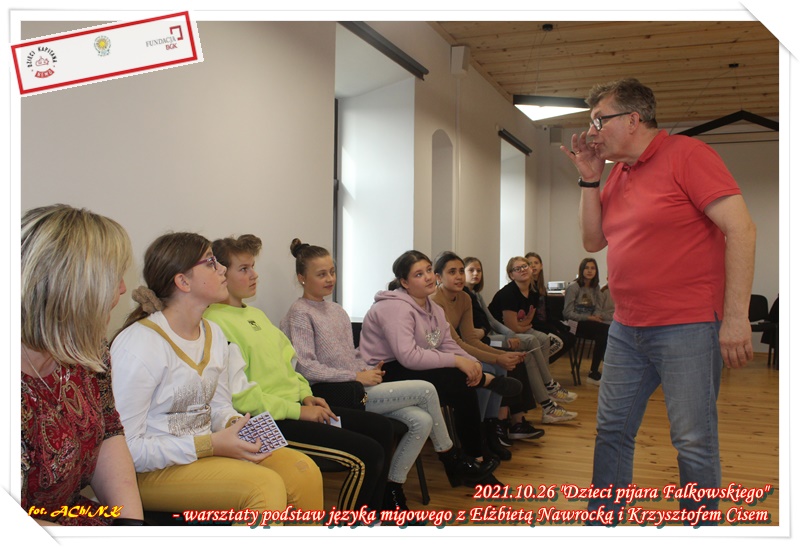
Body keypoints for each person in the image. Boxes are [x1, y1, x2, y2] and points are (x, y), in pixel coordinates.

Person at [561, 77, 756, 525]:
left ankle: (699, 527)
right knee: (612, 429)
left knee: (692, 439)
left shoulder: (689, 155)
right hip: (627, 327)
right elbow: (592, 241)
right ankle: (604, 521)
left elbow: (742, 229)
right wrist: (589, 179)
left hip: (688, 326)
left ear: (634, 119)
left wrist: (735, 318)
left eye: (599, 120)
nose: (591, 132)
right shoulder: (617, 173)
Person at [111, 232, 323, 523]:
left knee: (303, 471)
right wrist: (208, 445)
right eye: (211, 263)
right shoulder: (140, 344)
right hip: (151, 472)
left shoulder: (213, 333)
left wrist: (235, 426)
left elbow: (220, 406)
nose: (222, 269)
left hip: (204, 452)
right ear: (183, 281)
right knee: (264, 486)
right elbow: (125, 449)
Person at [280, 239, 497, 503]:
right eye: (321, 274)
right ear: (302, 278)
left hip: (357, 384)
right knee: (427, 390)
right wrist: (356, 376)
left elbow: (350, 356)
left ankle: (392, 490)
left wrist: (366, 369)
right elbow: (305, 367)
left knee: (422, 421)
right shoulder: (300, 313)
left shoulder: (336, 310)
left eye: (332, 272)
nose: (330, 279)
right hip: (330, 394)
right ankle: (452, 458)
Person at [205, 235, 395, 514]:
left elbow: (289, 365)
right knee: (367, 454)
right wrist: (298, 411)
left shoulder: (256, 315)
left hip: (294, 408)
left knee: (382, 428)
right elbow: (241, 398)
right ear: (222, 273)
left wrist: (306, 396)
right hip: (264, 421)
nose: (254, 275)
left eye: (253, 266)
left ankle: (376, 516)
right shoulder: (214, 322)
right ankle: (354, 525)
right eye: (244, 269)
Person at [21, 204, 143, 527]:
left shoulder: (88, 350)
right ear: (71, 289)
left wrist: (130, 526)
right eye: (114, 277)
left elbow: (109, 432)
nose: (122, 289)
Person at [359, 250, 522, 484]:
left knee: (464, 384)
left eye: (428, 270)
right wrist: (457, 362)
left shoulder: (433, 308)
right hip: (382, 372)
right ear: (404, 282)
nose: (427, 277)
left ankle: (474, 461)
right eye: (418, 274)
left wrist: (472, 363)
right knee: (458, 379)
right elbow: (408, 357)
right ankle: (471, 462)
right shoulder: (394, 308)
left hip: (412, 366)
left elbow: (447, 343)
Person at [431, 251, 545, 454]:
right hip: (440, 356)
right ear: (438, 277)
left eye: (460, 271)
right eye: (452, 272)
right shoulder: (435, 301)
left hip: (456, 349)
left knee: (499, 369)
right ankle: (479, 433)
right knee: (488, 369)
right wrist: (498, 357)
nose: (459, 276)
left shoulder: (465, 298)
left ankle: (491, 428)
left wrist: (500, 357)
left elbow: (471, 339)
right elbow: (455, 343)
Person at [488, 257, 579, 425]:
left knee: (543, 338)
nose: (523, 269)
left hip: (516, 330)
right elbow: (511, 327)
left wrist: (521, 325)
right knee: (531, 342)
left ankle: (547, 395)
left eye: (525, 266)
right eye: (517, 268)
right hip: (498, 334)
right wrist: (521, 326)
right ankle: (549, 387)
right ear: (511, 275)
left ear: (531, 269)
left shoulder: (533, 292)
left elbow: (529, 320)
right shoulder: (508, 293)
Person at [563, 257, 614, 385]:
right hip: (574, 323)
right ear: (581, 270)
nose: (589, 271)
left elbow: (597, 308)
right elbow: (567, 313)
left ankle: (597, 370)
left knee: (607, 331)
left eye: (593, 268)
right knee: (605, 331)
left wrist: (596, 316)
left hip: (590, 322)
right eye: (586, 268)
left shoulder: (595, 287)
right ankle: (593, 372)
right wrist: (589, 318)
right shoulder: (573, 287)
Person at [525, 251, 575, 363]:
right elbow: (533, 318)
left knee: (571, 338)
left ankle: (541, 364)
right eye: (530, 263)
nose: (533, 265)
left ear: (541, 266)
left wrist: (559, 326)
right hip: (534, 327)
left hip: (544, 324)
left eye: (536, 263)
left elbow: (548, 314)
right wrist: (552, 329)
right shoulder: (527, 287)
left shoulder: (541, 288)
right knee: (560, 341)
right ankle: (538, 364)